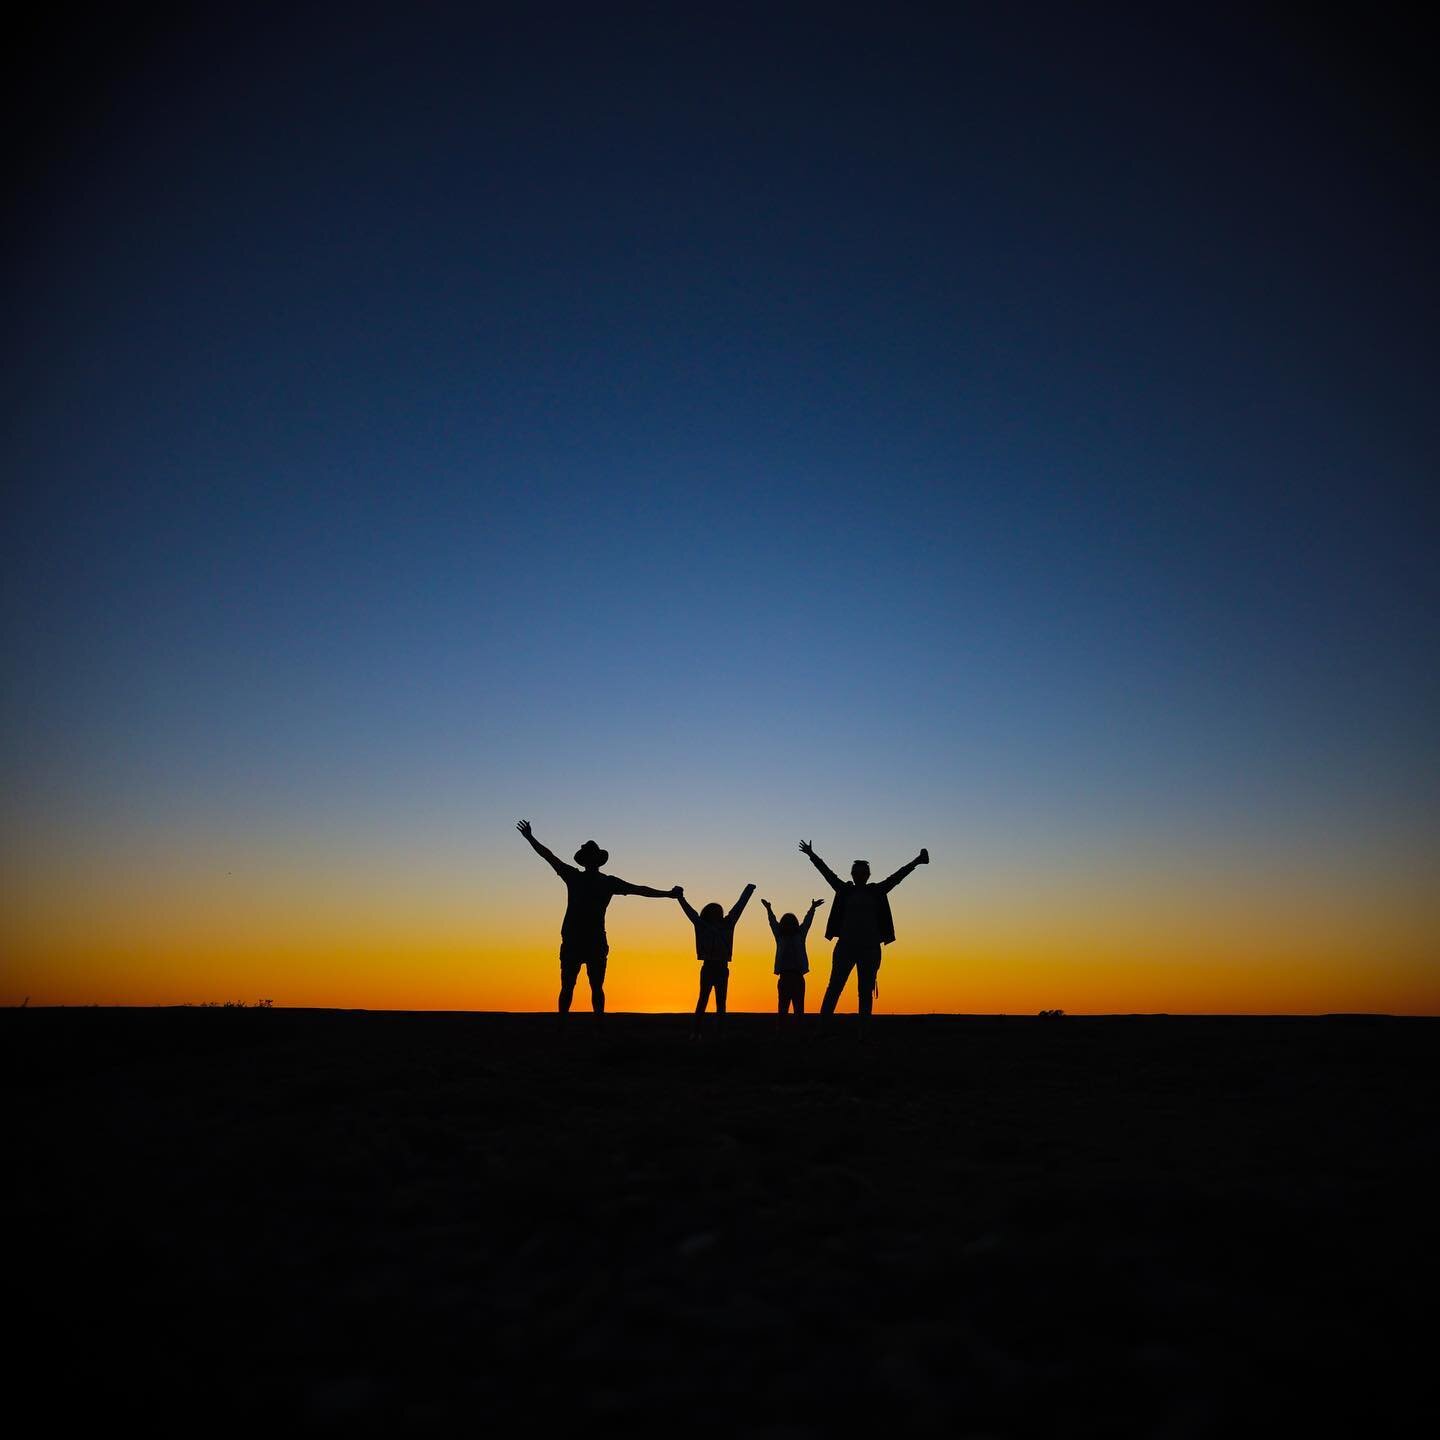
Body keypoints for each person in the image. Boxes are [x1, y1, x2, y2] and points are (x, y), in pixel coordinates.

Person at [516, 820, 680, 1019]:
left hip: (588, 940)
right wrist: (531, 838)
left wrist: (667, 894)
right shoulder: (582, 878)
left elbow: (640, 890)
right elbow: (549, 856)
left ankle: (588, 1024)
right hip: (578, 940)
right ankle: (572, 1024)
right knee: (572, 986)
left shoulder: (595, 880)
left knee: (589, 987)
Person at [799, 839, 929, 1026]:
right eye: (857, 872)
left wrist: (917, 861)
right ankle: (823, 1028)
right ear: (852, 874)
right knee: (835, 987)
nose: (860, 875)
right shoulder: (845, 890)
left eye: (863, 873)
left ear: (867, 875)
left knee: (865, 991)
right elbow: (827, 873)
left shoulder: (876, 891)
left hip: (869, 949)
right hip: (846, 947)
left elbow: (897, 877)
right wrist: (812, 855)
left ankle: (863, 1032)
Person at [676, 883, 755, 1037]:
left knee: (721, 1002)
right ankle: (696, 1032)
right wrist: (680, 898)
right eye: (715, 910)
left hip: (722, 968)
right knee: (703, 1000)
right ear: (709, 913)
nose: (718, 912)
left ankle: (719, 1033)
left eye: (719, 910)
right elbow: (690, 913)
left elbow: (739, 907)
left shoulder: (728, 924)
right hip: (708, 967)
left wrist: (748, 890)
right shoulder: (701, 925)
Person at [761, 896, 824, 1029]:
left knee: (799, 1010)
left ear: (795, 924)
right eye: (786, 922)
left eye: (791, 922)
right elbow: (772, 922)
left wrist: (812, 909)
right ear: (783, 924)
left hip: (797, 977)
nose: (789, 925)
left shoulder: (800, 935)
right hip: (784, 977)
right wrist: (769, 909)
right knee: (783, 1009)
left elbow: (807, 922)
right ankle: (781, 1035)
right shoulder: (779, 935)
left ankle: (799, 1036)